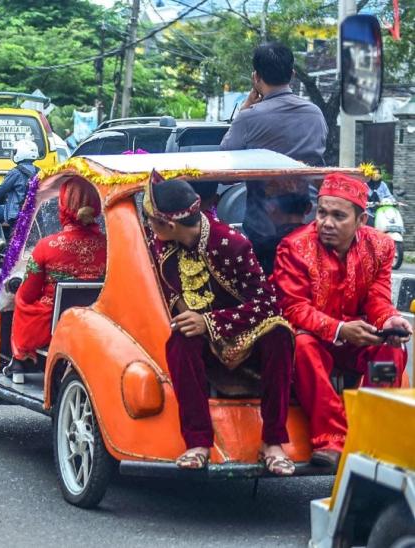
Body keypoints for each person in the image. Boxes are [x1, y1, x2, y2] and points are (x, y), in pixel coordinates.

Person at [144, 175, 295, 475]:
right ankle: (198, 441)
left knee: (279, 333)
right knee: (179, 342)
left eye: (151, 220)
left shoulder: (232, 244)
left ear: (170, 226)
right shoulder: (161, 245)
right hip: (202, 341)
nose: (148, 225)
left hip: (244, 333)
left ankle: (274, 442)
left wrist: (209, 322)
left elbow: (267, 304)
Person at [272, 173, 411, 467]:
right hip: (317, 336)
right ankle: (331, 439)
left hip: (356, 335)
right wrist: (340, 329)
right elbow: (294, 307)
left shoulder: (382, 246)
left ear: (361, 221)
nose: (327, 223)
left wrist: (389, 320)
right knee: (303, 344)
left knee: (393, 349)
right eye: (322, 213)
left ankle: (368, 434)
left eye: (338, 216)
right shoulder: (293, 248)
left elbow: (378, 297)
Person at [219, 42, 328, 268]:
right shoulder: (315, 114)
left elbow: (225, 173)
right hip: (307, 220)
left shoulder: (249, 117)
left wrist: (247, 107)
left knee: (269, 295)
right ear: (292, 74)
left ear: (256, 77)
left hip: (265, 225)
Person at [5, 178, 107, 383]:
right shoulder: (110, 245)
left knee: (22, 301)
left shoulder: (47, 246)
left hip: (53, 322)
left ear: (63, 205)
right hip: (101, 317)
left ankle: (21, 358)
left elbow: (27, 293)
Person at [0, 140, 39, 256]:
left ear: (20, 153)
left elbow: (0, 190)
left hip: (16, 211)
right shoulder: (39, 172)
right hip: (34, 214)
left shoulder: (16, 172)